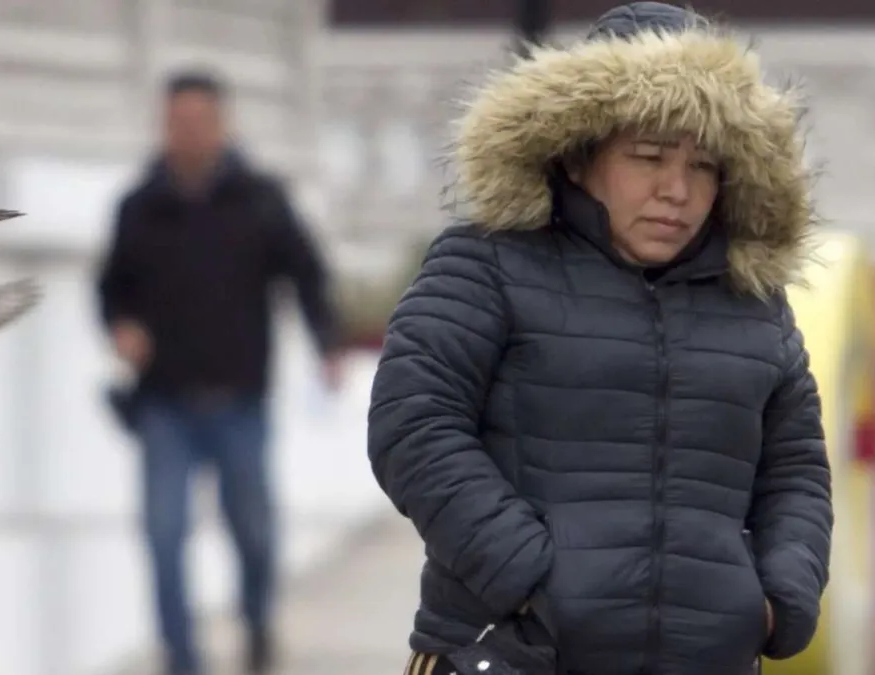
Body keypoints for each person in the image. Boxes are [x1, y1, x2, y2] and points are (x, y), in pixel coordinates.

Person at [368, 3, 833, 674]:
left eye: (703, 166)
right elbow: (413, 426)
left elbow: (796, 470)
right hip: (511, 654)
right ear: (580, 156)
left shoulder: (752, 302)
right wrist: (534, 578)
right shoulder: (488, 263)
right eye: (648, 157)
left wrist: (774, 600)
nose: (677, 190)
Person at [96, 70, 343, 675]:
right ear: (164, 125)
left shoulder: (261, 197)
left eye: (200, 121)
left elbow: (305, 273)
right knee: (163, 537)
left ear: (222, 125)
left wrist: (326, 343)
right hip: (164, 405)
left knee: (254, 535)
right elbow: (112, 287)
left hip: (241, 401)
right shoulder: (138, 205)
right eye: (177, 122)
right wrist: (121, 326)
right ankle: (182, 659)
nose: (188, 132)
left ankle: (257, 623)